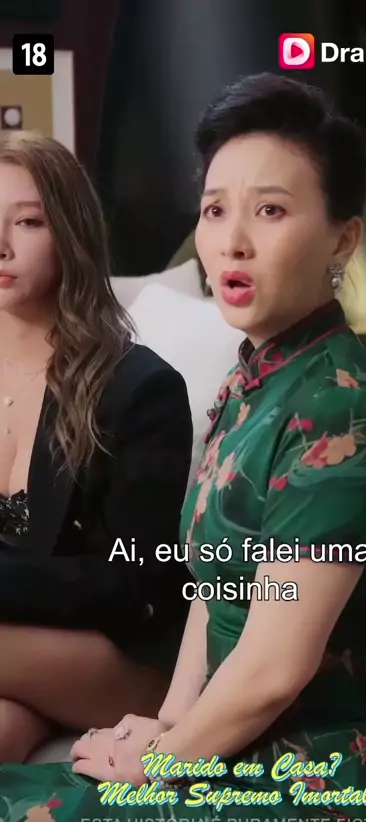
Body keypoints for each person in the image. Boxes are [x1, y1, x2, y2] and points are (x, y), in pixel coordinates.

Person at [0, 75, 366, 822]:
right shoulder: (250, 385)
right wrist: (166, 725)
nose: (232, 241)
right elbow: (212, 589)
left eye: (270, 210)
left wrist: (159, 763)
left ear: (342, 240)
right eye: (214, 210)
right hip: (227, 752)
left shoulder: (339, 409)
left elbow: (273, 669)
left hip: (325, 791)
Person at [0, 131, 192, 763]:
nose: (1, 244)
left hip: (117, 648)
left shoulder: (140, 388)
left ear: (70, 234)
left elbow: (133, 577)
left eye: (27, 222)